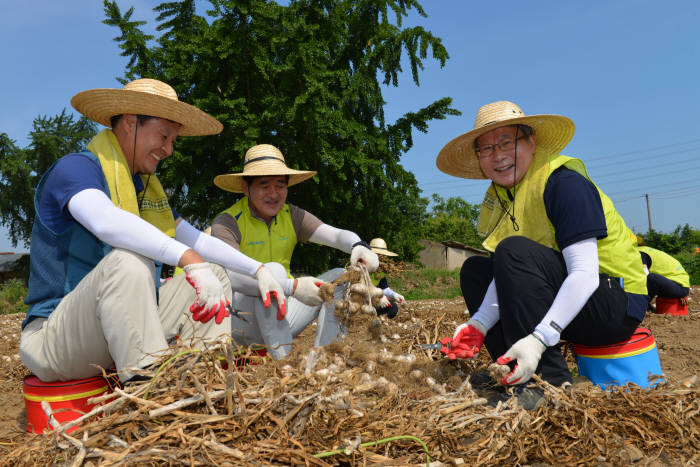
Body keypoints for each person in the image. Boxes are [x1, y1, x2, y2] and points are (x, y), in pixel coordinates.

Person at [20, 79, 287, 384]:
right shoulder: (76, 170)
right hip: (55, 336)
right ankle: (149, 390)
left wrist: (259, 270)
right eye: (163, 136)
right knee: (130, 261)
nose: (169, 149)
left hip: (114, 327)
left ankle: (201, 380)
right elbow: (105, 221)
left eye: (173, 140)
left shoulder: (143, 192)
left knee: (214, 273)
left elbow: (196, 239)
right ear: (131, 123)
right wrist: (188, 259)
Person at [435, 101, 648, 407]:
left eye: (507, 142)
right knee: (477, 270)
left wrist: (539, 339)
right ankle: (511, 371)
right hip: (574, 301)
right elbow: (509, 271)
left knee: (511, 251)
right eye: (486, 149)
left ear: (531, 142)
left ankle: (546, 382)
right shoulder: (511, 197)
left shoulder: (564, 183)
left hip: (614, 300)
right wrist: (478, 325)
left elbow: (584, 274)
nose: (498, 156)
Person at [211, 144, 379, 359]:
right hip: (242, 323)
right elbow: (230, 277)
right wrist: (293, 286)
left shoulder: (291, 215)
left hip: (281, 316)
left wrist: (358, 246)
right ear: (246, 188)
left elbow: (336, 235)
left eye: (280, 185)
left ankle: (325, 357)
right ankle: (284, 362)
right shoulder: (227, 222)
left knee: (340, 277)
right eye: (264, 185)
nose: (273, 194)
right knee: (272, 271)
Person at [636, 241, 690, 309]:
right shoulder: (645, 250)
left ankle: (640, 306)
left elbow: (645, 274)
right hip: (677, 286)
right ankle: (644, 306)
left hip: (678, 287)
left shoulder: (640, 253)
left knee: (651, 278)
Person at [369, 238, 406, 319]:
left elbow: (384, 288)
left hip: (370, 301)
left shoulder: (380, 270)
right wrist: (378, 297)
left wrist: (394, 295)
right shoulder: (360, 265)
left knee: (393, 308)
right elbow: (359, 288)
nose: (380, 257)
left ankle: (382, 324)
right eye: (378, 254)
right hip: (356, 301)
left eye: (382, 255)